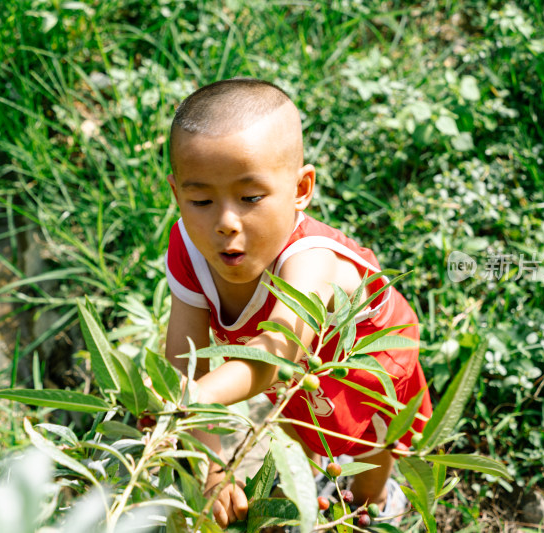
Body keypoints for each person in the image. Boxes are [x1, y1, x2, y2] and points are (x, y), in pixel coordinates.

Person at [163, 78, 432, 528]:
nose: (226, 222)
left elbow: (278, 355)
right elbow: (185, 362)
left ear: (301, 188)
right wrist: (209, 466)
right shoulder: (188, 250)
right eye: (201, 200)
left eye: (250, 198)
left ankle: (375, 504)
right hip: (290, 376)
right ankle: (312, 483)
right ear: (177, 194)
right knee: (290, 412)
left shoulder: (310, 262)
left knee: (367, 446)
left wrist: (193, 398)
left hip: (362, 363)